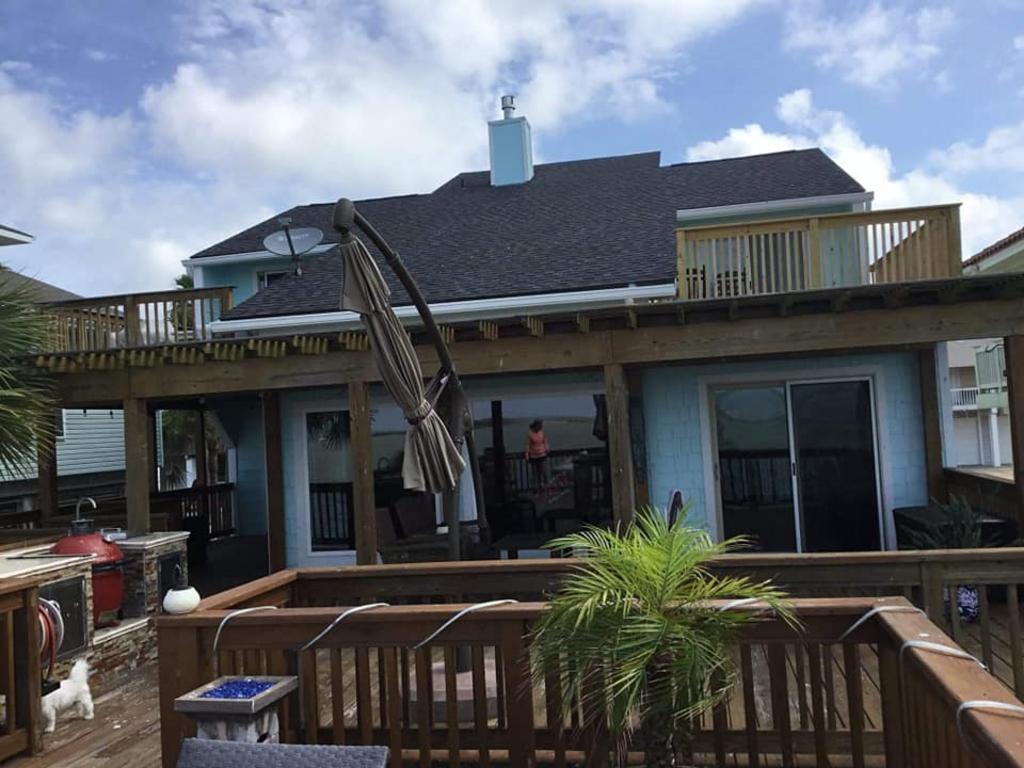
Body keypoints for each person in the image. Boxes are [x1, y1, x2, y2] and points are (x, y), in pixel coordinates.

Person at [525, 419, 550, 492]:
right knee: (535, 473)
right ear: (536, 425)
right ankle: (536, 488)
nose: (541, 427)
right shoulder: (530, 434)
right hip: (534, 456)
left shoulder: (542, 433)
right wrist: (527, 454)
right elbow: (528, 445)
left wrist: (547, 448)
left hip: (542, 455)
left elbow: (545, 441)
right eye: (540, 425)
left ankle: (545, 486)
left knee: (544, 472)